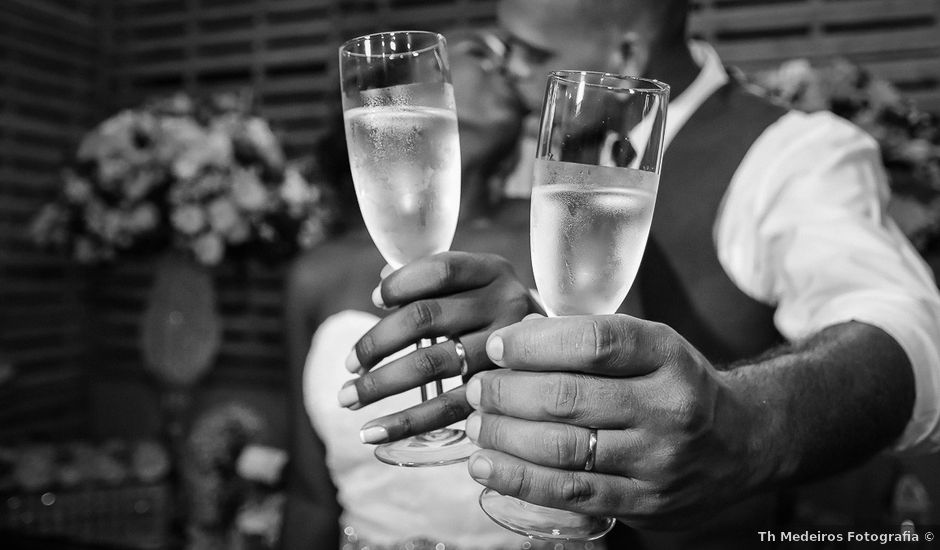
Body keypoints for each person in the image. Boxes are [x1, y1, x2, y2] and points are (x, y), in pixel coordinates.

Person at [338, 0, 940, 548]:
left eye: (533, 53)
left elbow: (911, 327)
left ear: (626, 54)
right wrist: (526, 340)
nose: (512, 72)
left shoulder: (793, 153)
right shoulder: (546, 142)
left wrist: (746, 425)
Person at [281, 30, 604, 549]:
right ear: (400, 83)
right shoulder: (317, 273)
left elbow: (630, 418)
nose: (509, 69)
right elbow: (308, 493)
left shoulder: (570, 231)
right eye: (483, 52)